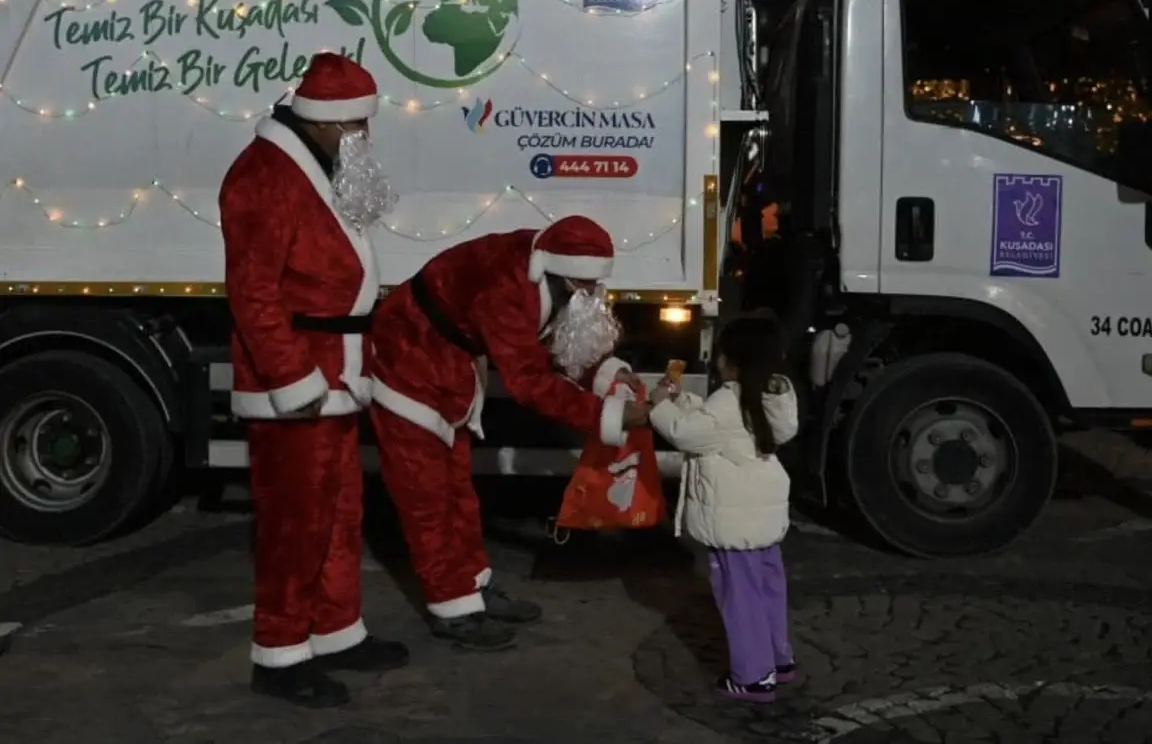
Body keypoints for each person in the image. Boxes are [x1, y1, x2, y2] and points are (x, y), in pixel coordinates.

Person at [219, 52, 409, 709]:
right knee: (293, 522)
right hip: (296, 380)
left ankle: (336, 630)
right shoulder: (263, 176)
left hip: (337, 372)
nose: (364, 136)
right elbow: (253, 290)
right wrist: (294, 378)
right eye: (356, 124)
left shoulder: (322, 168)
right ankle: (279, 652)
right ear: (324, 122)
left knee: (340, 513)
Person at [370, 215, 649, 650]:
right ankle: (452, 608)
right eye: (583, 287)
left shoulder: (550, 275)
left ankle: (473, 586)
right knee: (427, 497)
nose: (592, 296)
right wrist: (608, 415)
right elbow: (529, 381)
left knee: (459, 492)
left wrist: (609, 375)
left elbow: (566, 339)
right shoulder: (505, 291)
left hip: (449, 367)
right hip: (408, 361)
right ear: (556, 273)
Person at [647, 313, 800, 703]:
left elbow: (686, 433)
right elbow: (714, 423)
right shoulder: (772, 394)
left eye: (720, 354)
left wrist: (659, 404)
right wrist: (683, 398)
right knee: (768, 589)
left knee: (739, 596)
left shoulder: (727, 401)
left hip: (733, 521)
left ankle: (752, 677)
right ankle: (778, 661)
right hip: (762, 517)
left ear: (732, 360)